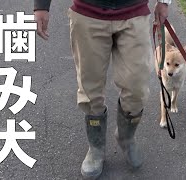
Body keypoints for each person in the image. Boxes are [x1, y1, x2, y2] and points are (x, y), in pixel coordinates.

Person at [34, 0, 171, 179]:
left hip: (134, 13)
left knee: (137, 87)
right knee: (90, 90)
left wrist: (164, 1)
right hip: (87, 13)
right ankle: (96, 147)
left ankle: (126, 137)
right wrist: (41, 6)